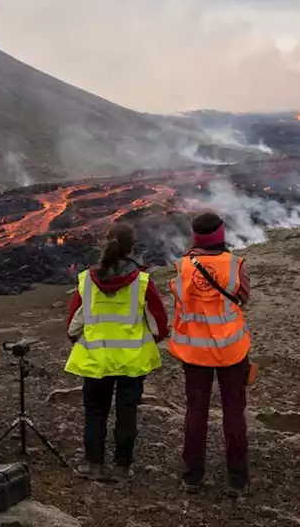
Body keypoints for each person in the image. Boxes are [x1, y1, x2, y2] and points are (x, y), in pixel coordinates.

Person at [64, 223, 169, 481]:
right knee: (127, 412)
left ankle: (94, 465)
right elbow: (159, 325)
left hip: (96, 358)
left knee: (95, 412)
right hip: (132, 361)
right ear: (132, 246)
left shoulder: (87, 280)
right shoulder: (142, 282)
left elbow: (74, 322)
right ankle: (123, 467)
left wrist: (77, 337)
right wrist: (148, 339)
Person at [167, 212, 252, 497]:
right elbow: (243, 297)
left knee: (196, 412)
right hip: (231, 350)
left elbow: (180, 299)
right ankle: (238, 479)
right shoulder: (234, 265)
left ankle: (192, 476)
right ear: (221, 235)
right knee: (234, 413)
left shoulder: (182, 267)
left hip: (194, 351)